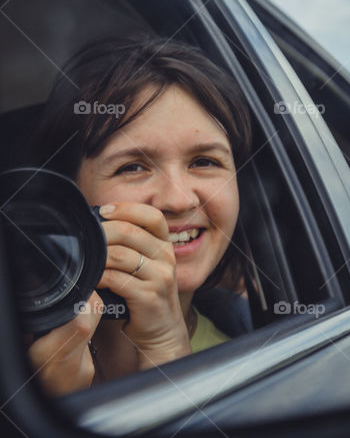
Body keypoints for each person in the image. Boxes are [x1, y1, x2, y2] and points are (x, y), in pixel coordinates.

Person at [26, 36, 253, 395]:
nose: (178, 200)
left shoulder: (248, 372)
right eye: (132, 167)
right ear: (64, 198)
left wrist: (167, 352)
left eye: (205, 162)